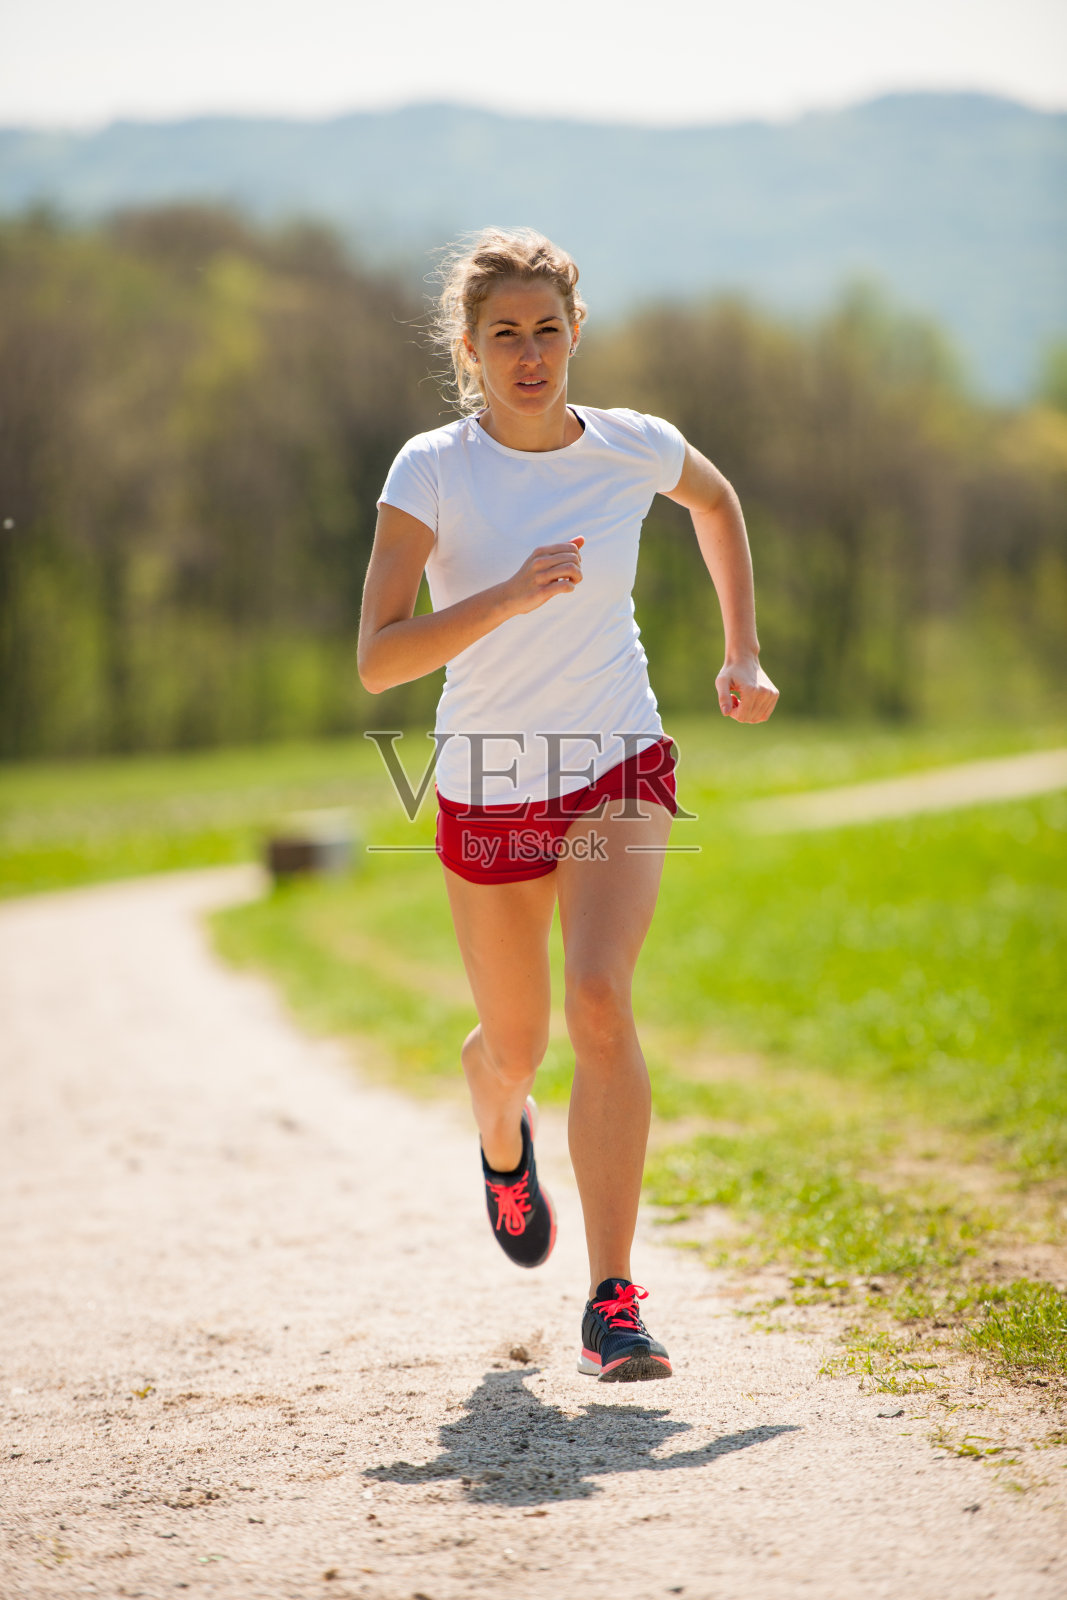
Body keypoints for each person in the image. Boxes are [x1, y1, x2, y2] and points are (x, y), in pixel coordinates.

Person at [358, 228, 778, 1382]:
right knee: (519, 1041)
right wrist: (500, 597)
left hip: (614, 758)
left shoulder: (630, 446)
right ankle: (499, 1126)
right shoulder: (430, 470)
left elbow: (718, 501)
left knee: (597, 998)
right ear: (470, 348)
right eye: (506, 335)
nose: (530, 353)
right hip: (487, 781)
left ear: (575, 332)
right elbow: (378, 660)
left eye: (548, 330)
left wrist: (740, 651)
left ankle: (610, 1300)